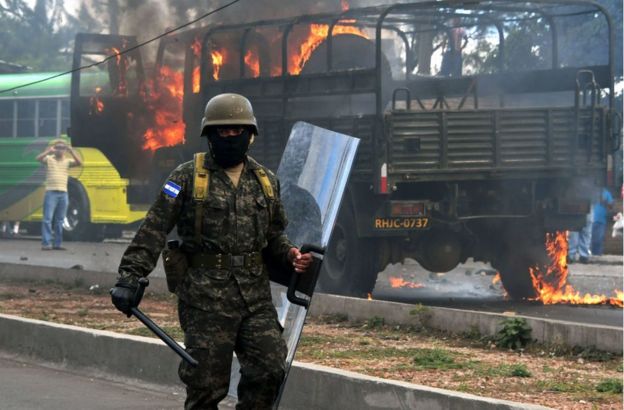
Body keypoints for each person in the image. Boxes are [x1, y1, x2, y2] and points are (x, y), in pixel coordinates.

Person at [110, 93, 312, 410]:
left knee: (270, 369)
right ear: (209, 135)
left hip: (254, 299)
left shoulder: (266, 181)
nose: (230, 137)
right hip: (205, 299)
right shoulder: (185, 177)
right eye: (223, 131)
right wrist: (129, 277)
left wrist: (290, 254)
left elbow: (274, 235)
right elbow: (154, 227)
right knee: (206, 386)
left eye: (237, 131)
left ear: (250, 134)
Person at [36, 139, 82, 250]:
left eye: (62, 148)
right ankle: (46, 244)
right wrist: (48, 151)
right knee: (47, 219)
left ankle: (57, 244)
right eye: (58, 147)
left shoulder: (67, 161)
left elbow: (80, 163)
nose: (60, 150)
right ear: (54, 149)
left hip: (63, 194)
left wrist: (71, 151)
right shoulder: (49, 159)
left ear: (65, 150)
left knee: (60, 220)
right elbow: (38, 158)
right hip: (51, 192)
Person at [590, 187, 614, 256]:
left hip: (601, 220)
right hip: (590, 219)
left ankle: (597, 255)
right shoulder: (591, 191)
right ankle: (589, 254)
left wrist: (605, 202)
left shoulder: (606, 193)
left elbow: (611, 206)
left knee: (599, 239)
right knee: (590, 239)